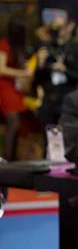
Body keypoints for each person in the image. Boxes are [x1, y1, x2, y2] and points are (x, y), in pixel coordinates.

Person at [33, 8, 78, 129]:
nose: (59, 28)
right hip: (48, 101)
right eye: (56, 26)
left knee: (67, 139)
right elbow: (36, 81)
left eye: (63, 25)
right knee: (48, 142)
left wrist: (64, 70)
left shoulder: (77, 49)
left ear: (71, 25)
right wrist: (40, 65)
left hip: (67, 101)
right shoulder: (47, 48)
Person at [0, 16, 32, 161]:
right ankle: (8, 160)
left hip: (14, 88)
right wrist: (23, 73)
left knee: (19, 124)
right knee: (14, 123)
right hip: (4, 86)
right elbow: (1, 69)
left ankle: (13, 158)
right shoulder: (4, 44)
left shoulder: (19, 47)